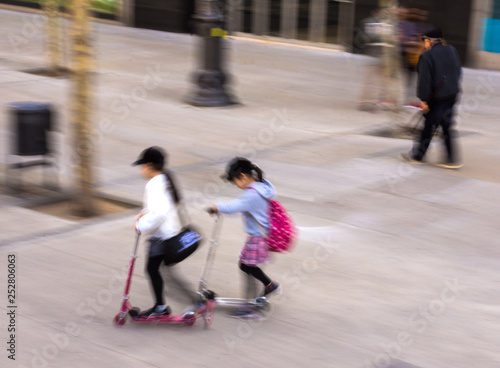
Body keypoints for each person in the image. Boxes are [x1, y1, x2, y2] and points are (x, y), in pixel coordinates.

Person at [208, 157, 281, 305]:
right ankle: (269, 286)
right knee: (246, 266)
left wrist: (217, 207)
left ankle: (250, 306)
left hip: (257, 238)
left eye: (234, 181)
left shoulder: (252, 194)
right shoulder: (263, 187)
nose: (235, 185)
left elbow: (235, 206)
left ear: (242, 176)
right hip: (260, 236)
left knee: (247, 266)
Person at [132, 146, 185, 317]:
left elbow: (160, 212)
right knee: (156, 270)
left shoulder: (154, 184)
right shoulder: (164, 179)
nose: (141, 170)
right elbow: (160, 207)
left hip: (163, 237)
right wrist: (145, 213)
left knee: (154, 270)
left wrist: (140, 225)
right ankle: (161, 306)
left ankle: (163, 307)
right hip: (166, 234)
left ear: (148, 165)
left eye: (142, 166)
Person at [400, 28, 463, 169]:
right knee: (446, 126)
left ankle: (418, 156)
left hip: (437, 98)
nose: (424, 43)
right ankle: (452, 159)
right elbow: (458, 71)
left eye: (424, 40)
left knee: (428, 127)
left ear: (429, 40)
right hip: (452, 95)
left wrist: (424, 101)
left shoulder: (426, 56)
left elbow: (425, 81)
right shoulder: (452, 50)